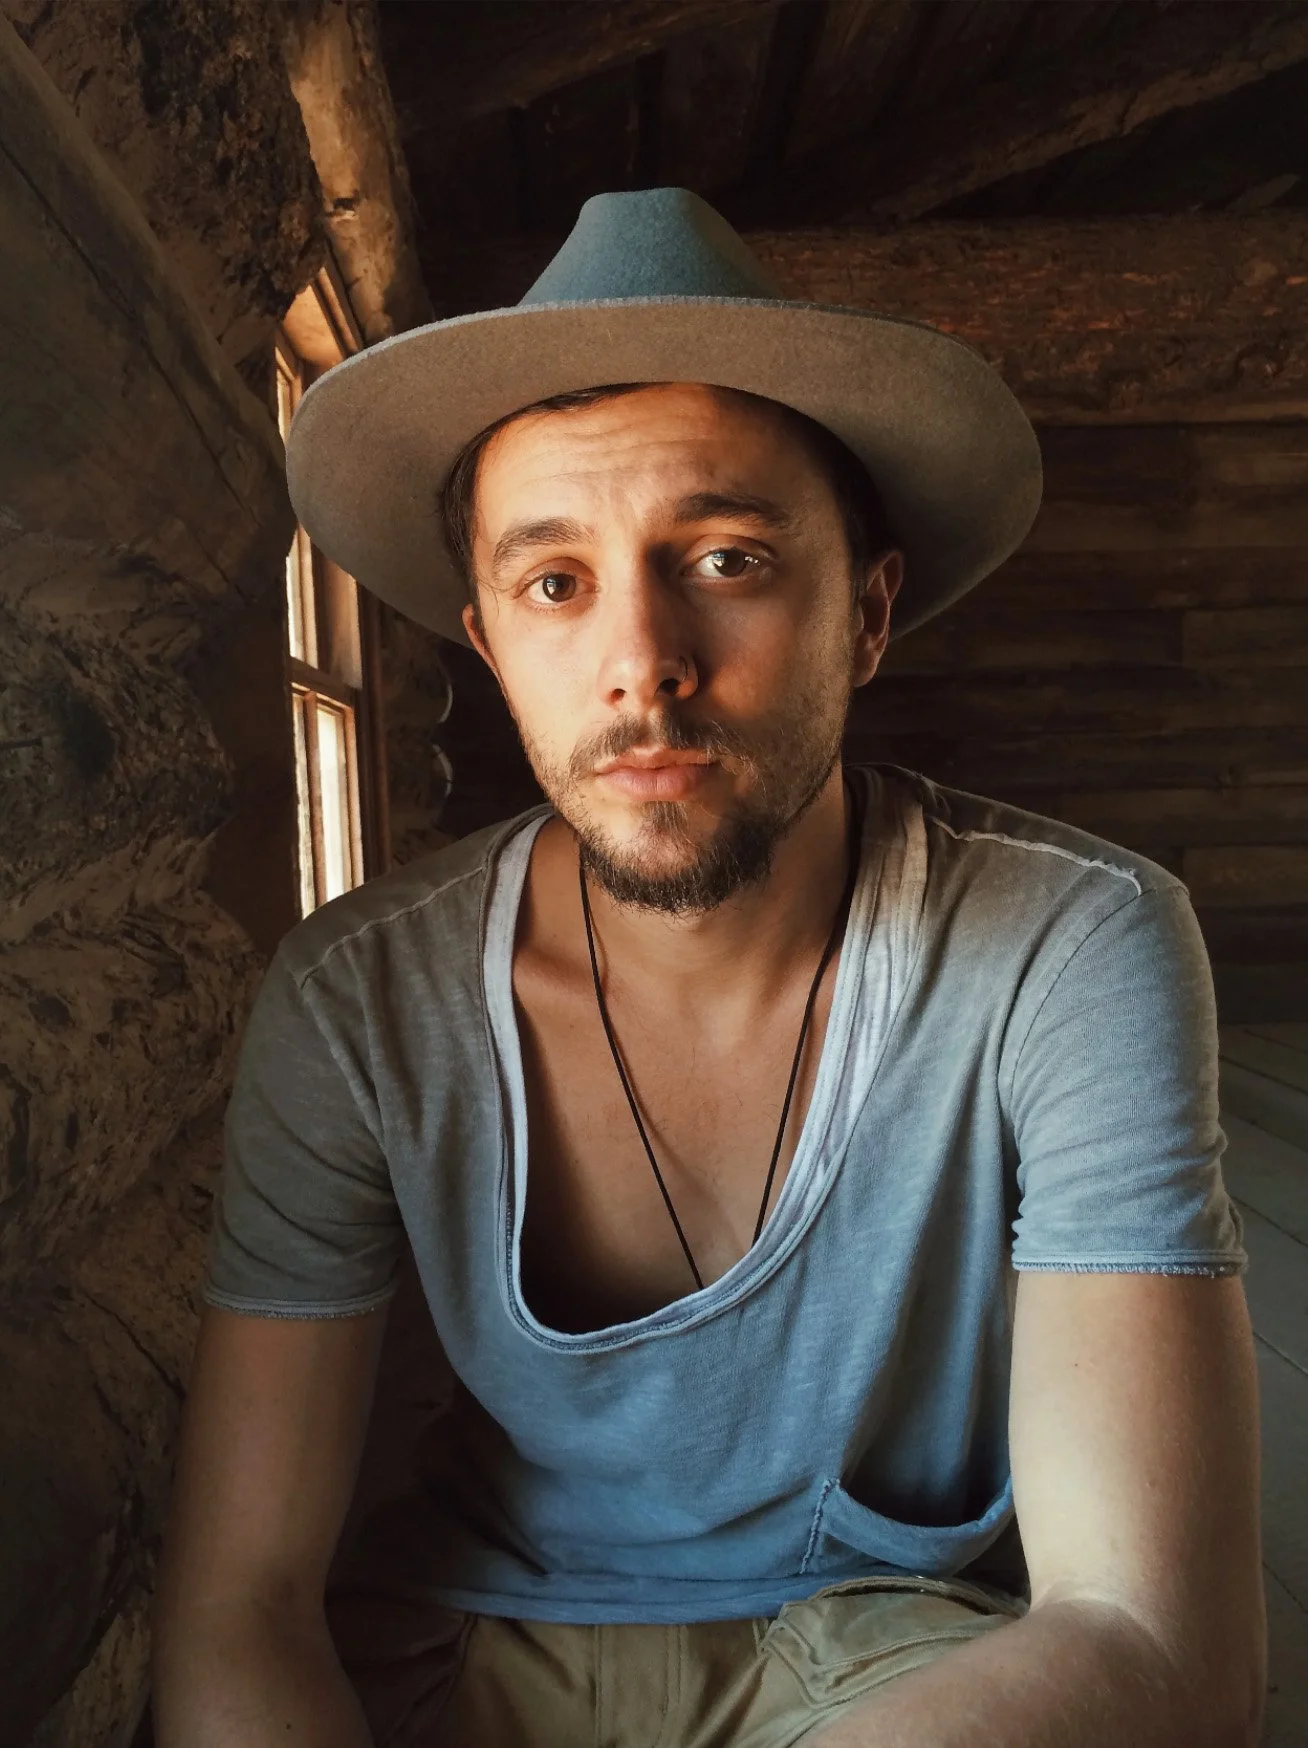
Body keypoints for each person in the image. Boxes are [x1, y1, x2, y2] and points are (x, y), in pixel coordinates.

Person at [153, 189, 1264, 1747]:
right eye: (556, 583)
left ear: (865, 613)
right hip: (468, 1651)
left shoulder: (1067, 946)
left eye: (729, 558)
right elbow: (240, 1611)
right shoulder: (359, 1006)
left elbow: (1153, 1641)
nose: (642, 659)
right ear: (486, 639)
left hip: (893, 1666)